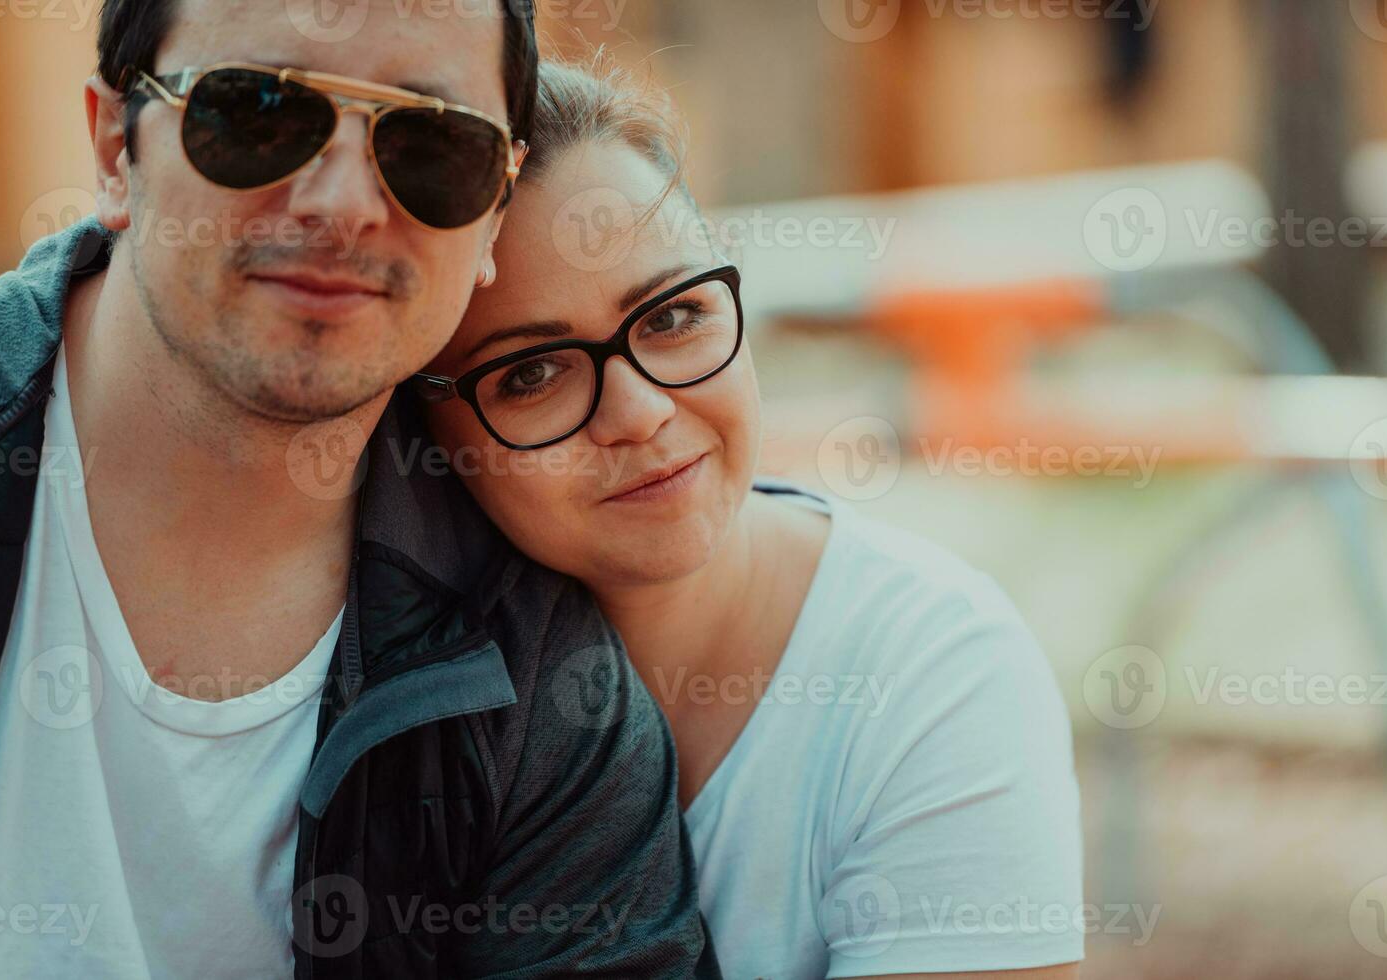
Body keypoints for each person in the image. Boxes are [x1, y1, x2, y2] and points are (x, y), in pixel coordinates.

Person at [0, 3, 720, 977]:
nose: (344, 202)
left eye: (434, 142)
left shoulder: (538, 680)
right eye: (258, 111)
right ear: (112, 148)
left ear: (490, 226)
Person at [415, 56, 1087, 980]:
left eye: (673, 315)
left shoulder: (929, 670)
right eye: (530, 373)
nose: (642, 411)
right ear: (428, 431)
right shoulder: (387, 691)